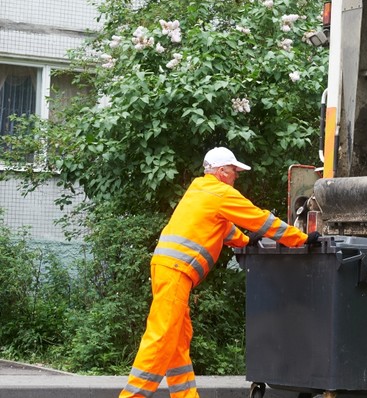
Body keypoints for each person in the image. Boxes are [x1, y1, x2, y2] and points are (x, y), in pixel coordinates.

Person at [119, 147, 320, 398]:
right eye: (234, 171)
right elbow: (262, 220)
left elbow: (224, 230)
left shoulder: (200, 191)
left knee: (178, 342)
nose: (236, 176)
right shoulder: (221, 193)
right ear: (222, 171)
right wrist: (301, 239)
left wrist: (246, 241)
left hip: (168, 269)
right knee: (161, 337)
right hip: (175, 271)